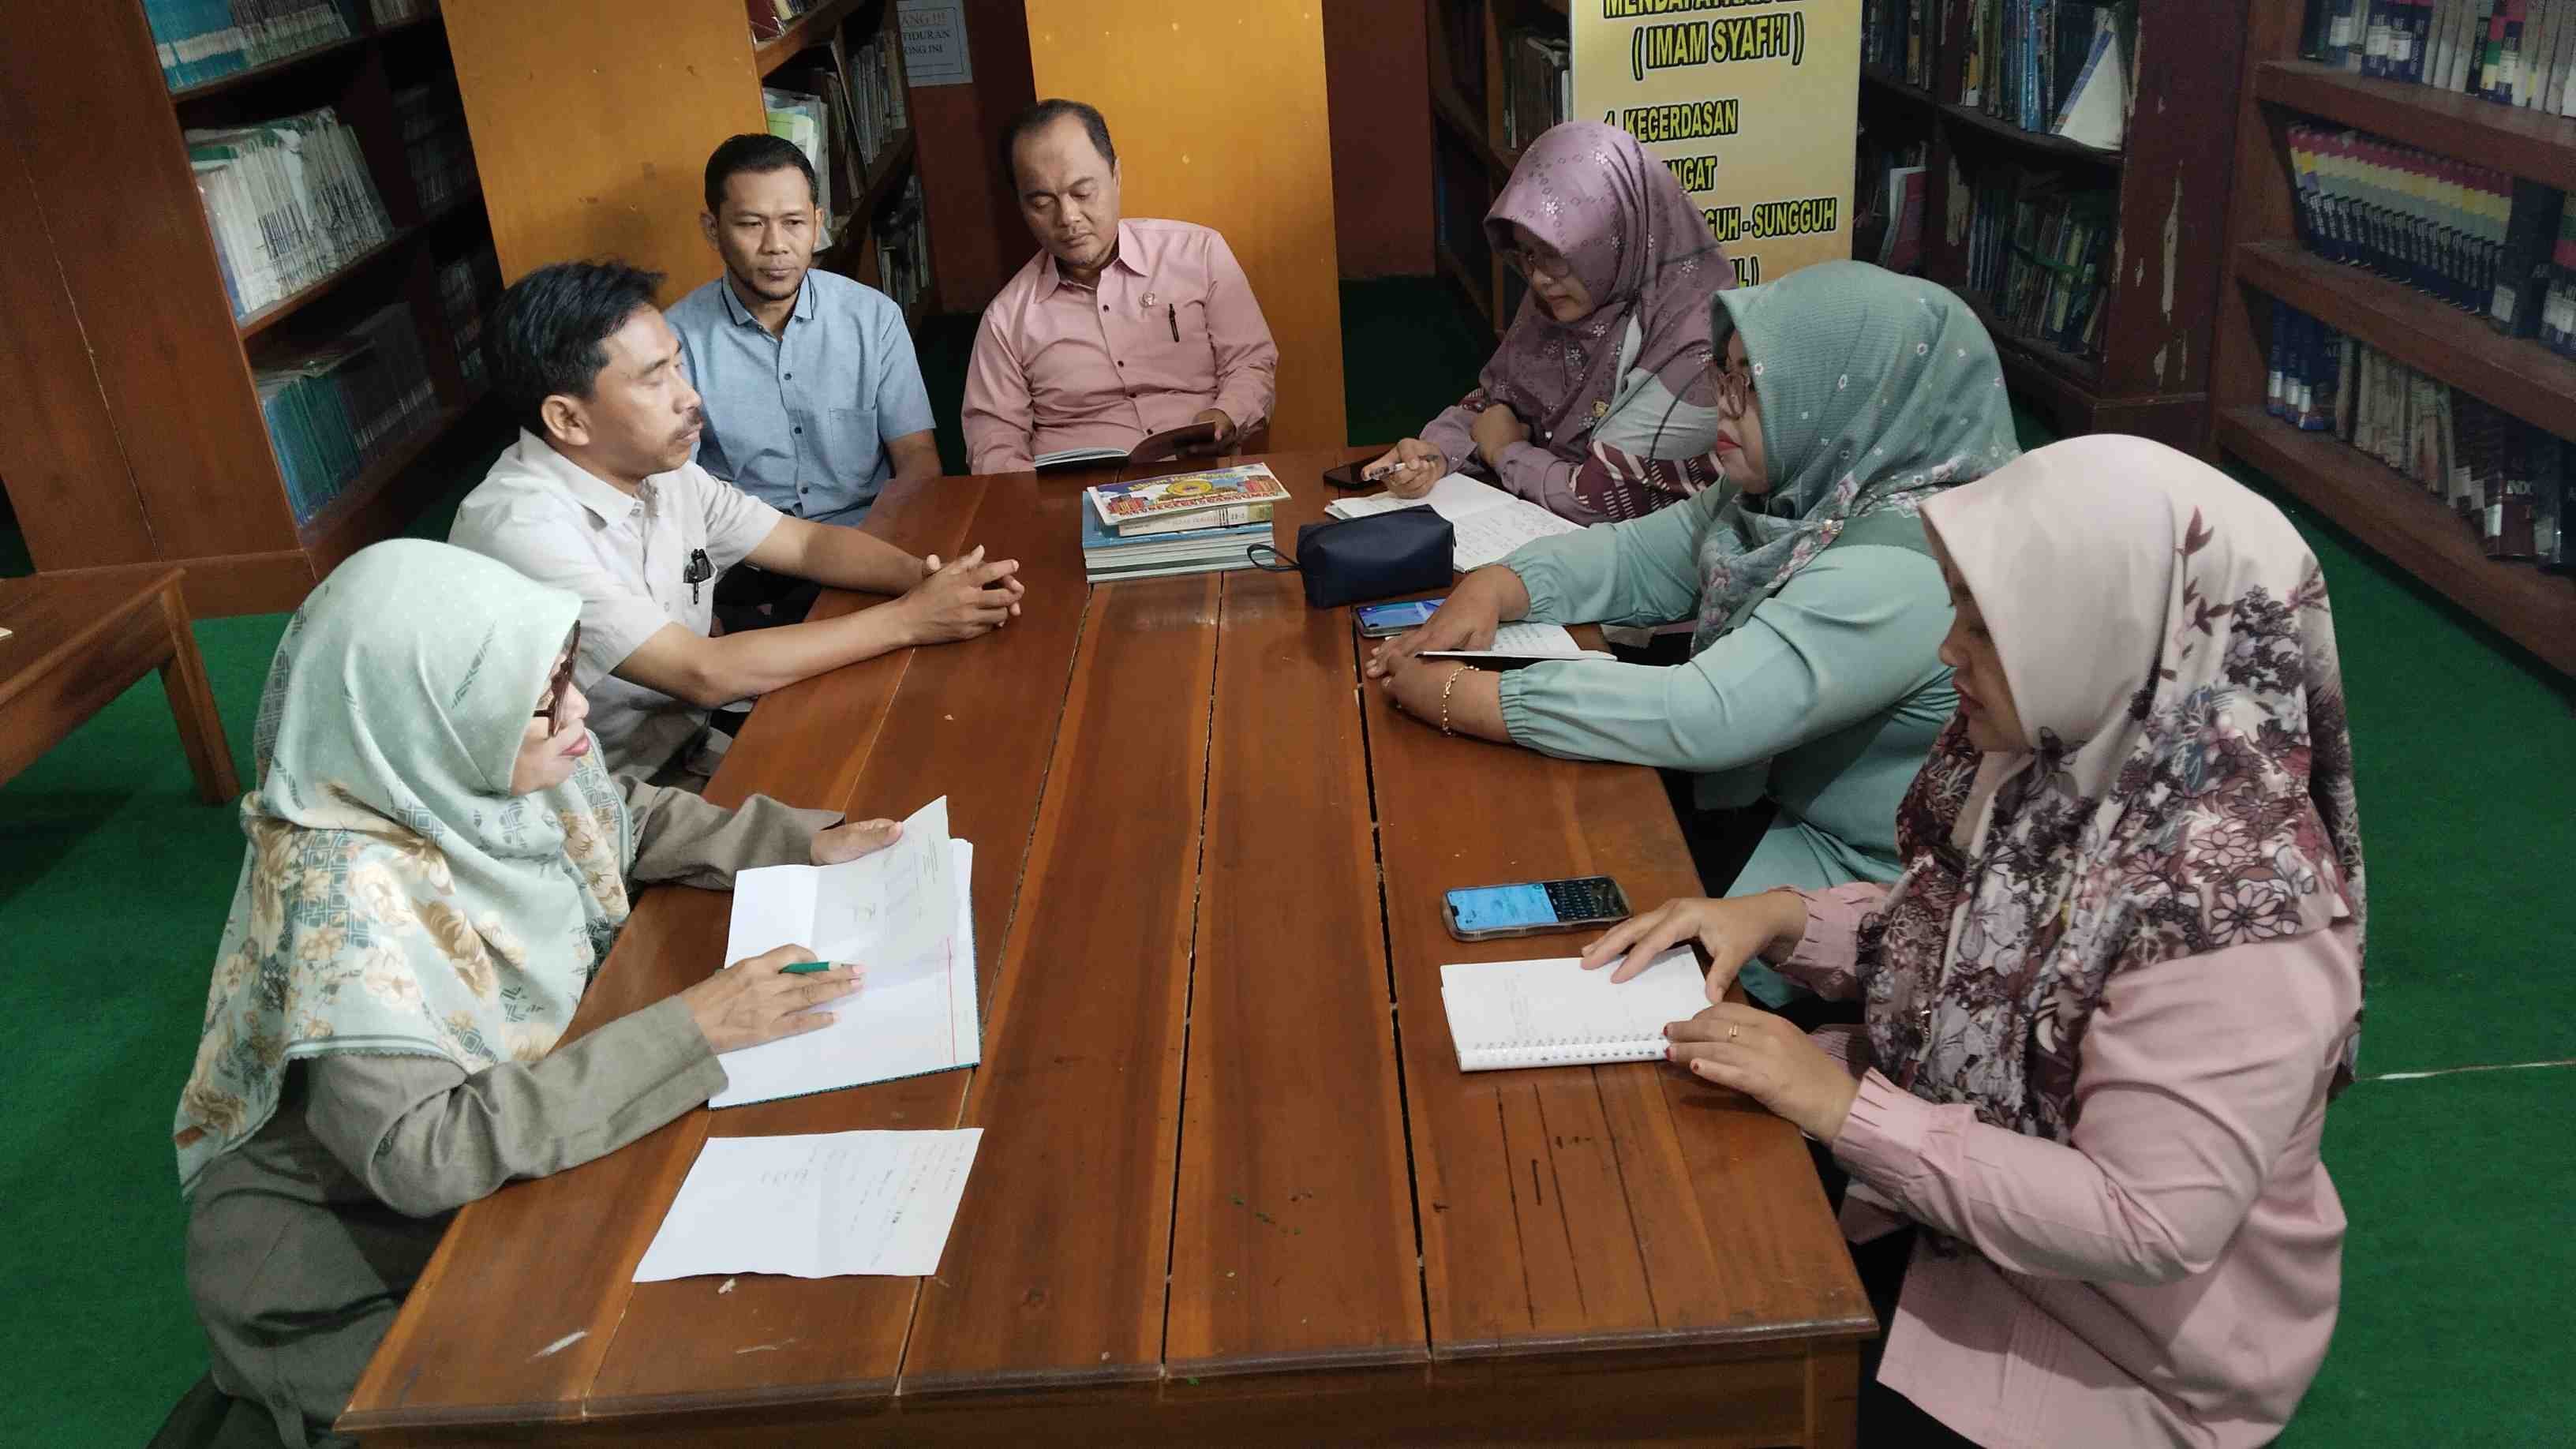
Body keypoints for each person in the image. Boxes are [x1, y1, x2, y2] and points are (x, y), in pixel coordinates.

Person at [1581, 435, 2368, 1447]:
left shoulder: (2238, 916)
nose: (1949, 648)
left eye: (1988, 626)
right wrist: (1779, 918)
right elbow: (1968, 940)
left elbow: (2146, 1222)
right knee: (1649, 1220)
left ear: (2113, 629)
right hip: (1948, 1215)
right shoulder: (2068, 755)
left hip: (2101, 1349)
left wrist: (1845, 1109)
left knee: (1689, 1373)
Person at [171, 541, 905, 1447]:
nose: (579, 711)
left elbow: (614, 816)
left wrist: (795, 843)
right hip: (348, 1262)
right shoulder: (346, 900)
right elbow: (422, 1154)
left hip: (494, 1166)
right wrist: (696, 1027)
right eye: (544, 696)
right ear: (429, 710)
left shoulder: (449, 762)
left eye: (567, 675)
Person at [1368, 260, 2021, 1009]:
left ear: (1850, 395)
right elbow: (1641, 556)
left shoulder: (1904, 565)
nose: (1724, 409)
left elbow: (1703, 714)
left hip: (1854, 879)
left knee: (1581, 955)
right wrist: (1501, 584)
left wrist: (1461, 697)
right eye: (1725, 375)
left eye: (1757, 388)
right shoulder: (1807, 484)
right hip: (1761, 798)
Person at [451, 260, 1023, 785]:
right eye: (655, 379)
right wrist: (913, 619)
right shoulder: (522, 529)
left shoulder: (657, 467)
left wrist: (928, 579)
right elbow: (703, 672)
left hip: (693, 742)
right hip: (606, 795)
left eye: (678, 365)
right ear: (568, 419)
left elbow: (803, 543)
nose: (690, 397)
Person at [1365, 120, 1733, 525]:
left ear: (1616, 237)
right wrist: (1434, 454)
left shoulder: (1701, 343)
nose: (1538, 278)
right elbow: (1496, 405)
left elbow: (1599, 501)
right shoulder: (1574, 294)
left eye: (1557, 253)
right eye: (1527, 254)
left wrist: (1506, 453)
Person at [667, 133, 940, 631]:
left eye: (793, 223)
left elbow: (918, 458)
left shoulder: (873, 317)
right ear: (713, 229)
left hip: (868, 544)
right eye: (751, 224)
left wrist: (884, 545)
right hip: (747, 560)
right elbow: (674, 488)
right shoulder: (674, 341)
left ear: (817, 224)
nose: (776, 245)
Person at [960, 99, 1279, 474]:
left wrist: (1226, 415)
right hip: (1078, 495)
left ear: (1116, 176)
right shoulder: (1006, 319)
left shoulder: (1198, 254)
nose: (1068, 218)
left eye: (1083, 193)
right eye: (1042, 202)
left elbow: (1251, 364)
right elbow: (993, 441)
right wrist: (1034, 498)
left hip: (1201, 481)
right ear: (1020, 205)